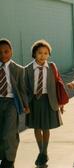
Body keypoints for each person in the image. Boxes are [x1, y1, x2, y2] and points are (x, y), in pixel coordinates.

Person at [25, 40, 64, 166]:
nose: (43, 56)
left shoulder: (52, 67)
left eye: (46, 53)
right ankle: (41, 151)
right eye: (40, 53)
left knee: (46, 128)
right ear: (34, 54)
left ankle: (44, 151)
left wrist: (61, 103)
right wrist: (26, 105)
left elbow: (58, 85)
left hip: (48, 100)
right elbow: (25, 88)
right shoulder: (28, 69)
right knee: (37, 127)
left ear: (49, 55)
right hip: (34, 101)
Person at [0, 39, 29, 168]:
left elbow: (22, 89)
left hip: (11, 102)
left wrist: (26, 104)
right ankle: (3, 157)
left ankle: (9, 160)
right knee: (1, 132)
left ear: (11, 52)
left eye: (6, 51)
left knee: (9, 132)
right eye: (0, 52)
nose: (3, 55)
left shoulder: (18, 69)